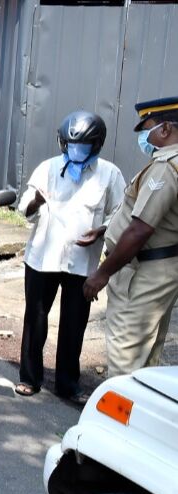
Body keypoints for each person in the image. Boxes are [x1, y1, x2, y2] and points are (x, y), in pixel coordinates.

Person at [16, 111, 125, 403]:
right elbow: (23, 206)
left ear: (97, 144)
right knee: (35, 318)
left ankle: (67, 383)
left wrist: (101, 230)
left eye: (84, 146)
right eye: (72, 145)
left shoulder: (109, 174)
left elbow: (120, 214)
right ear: (63, 143)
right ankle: (30, 377)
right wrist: (36, 201)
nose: (77, 151)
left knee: (74, 324)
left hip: (82, 261)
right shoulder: (48, 168)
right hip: (43, 258)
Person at [84, 96, 178, 377]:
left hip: (142, 272)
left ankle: (119, 418)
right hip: (162, 266)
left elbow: (141, 228)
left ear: (164, 130)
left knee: (126, 359)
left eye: (146, 129)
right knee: (147, 357)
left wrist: (101, 274)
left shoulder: (166, 167)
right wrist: (106, 230)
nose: (143, 137)